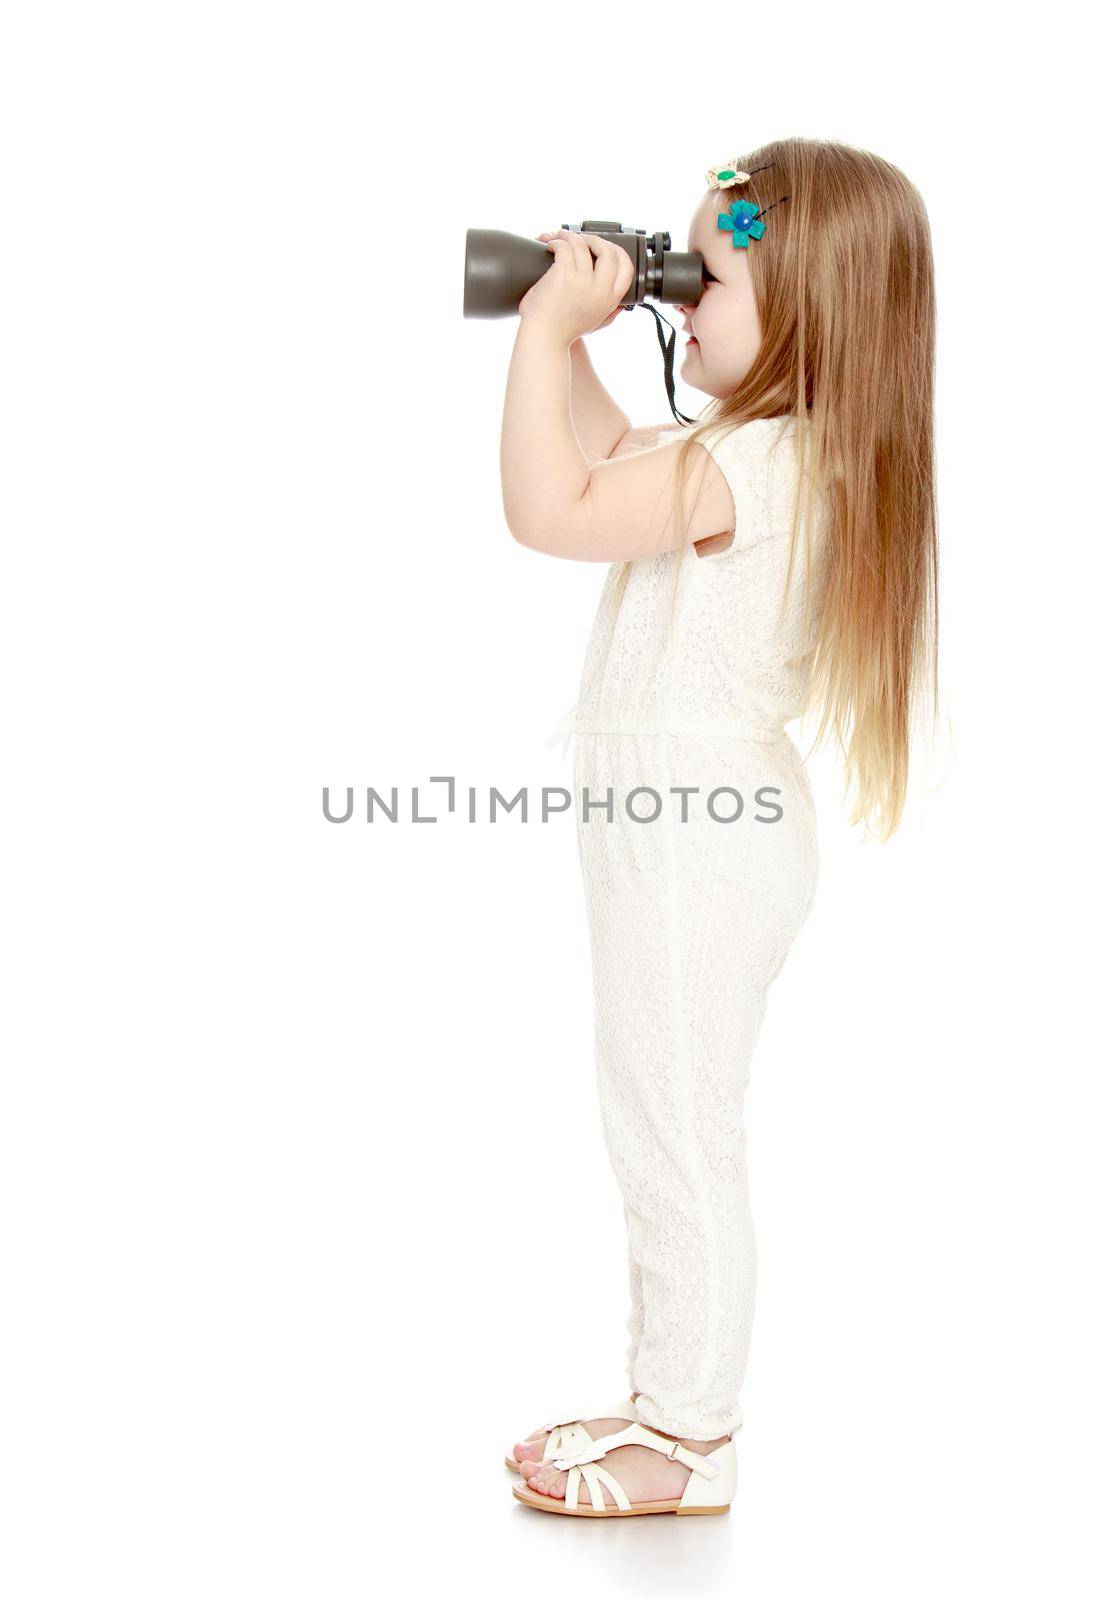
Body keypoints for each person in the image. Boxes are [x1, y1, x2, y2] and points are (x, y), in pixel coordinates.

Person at [498, 137, 938, 1519]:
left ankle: (687, 1436)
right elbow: (609, 451)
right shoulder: (748, 451)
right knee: (657, 1114)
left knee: (673, 1130)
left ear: (808, 302)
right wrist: (585, 329)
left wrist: (534, 328)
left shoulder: (775, 470)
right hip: (679, 831)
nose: (682, 302)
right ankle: (661, 1400)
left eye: (707, 276)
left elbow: (550, 505)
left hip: (700, 840)